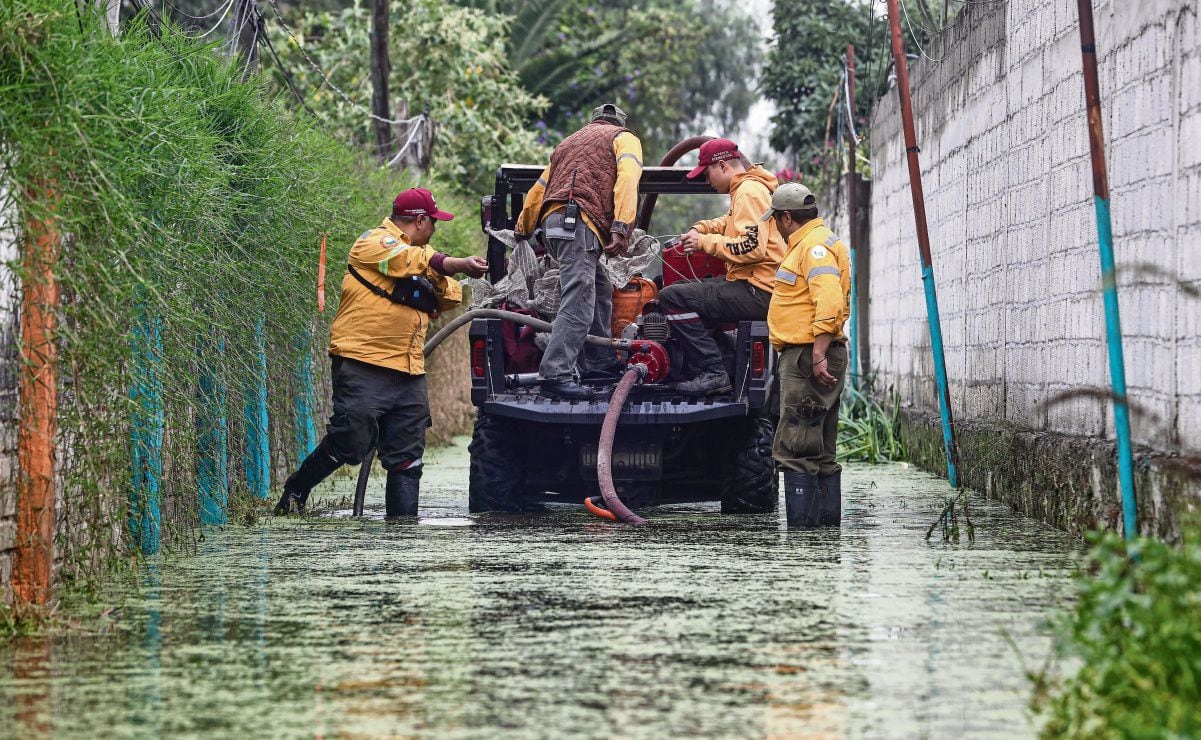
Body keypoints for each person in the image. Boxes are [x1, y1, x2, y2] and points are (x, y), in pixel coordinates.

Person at [274, 188, 488, 518]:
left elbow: (449, 298)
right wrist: (452, 263)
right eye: (434, 223)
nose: (434, 230)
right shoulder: (373, 243)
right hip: (363, 362)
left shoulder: (422, 255)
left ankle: (402, 536)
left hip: (409, 370)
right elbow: (404, 260)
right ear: (420, 220)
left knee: (408, 456)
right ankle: (295, 492)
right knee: (351, 439)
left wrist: (442, 271)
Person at [513, 103, 644, 401]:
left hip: (554, 225)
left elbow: (540, 187)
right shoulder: (624, 138)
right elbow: (627, 180)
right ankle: (555, 374)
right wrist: (622, 225)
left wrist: (524, 224)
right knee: (581, 298)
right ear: (617, 123)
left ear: (593, 122)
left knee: (598, 288)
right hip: (579, 223)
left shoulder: (568, 143)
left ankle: (600, 363)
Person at [660, 138, 787, 395]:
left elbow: (752, 248)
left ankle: (714, 371)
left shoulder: (748, 193)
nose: (708, 181)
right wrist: (702, 227)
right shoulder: (747, 190)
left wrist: (704, 242)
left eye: (707, 174)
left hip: (759, 291)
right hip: (759, 286)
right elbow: (730, 222)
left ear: (723, 167)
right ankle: (727, 362)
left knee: (671, 297)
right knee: (686, 291)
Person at [760, 182, 851, 527]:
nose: (777, 229)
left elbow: (828, 301)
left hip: (807, 357)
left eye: (777, 222)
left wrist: (817, 355)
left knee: (797, 446)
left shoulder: (811, 248)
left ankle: (803, 540)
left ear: (786, 218)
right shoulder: (822, 241)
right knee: (821, 449)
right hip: (815, 353)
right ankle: (824, 537)